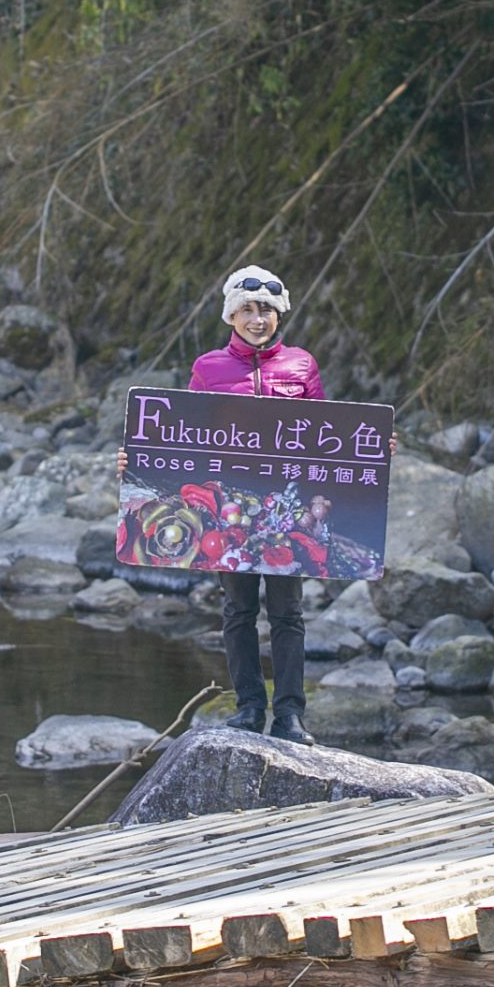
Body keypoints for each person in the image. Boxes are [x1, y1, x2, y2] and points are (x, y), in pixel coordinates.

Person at [191, 267, 323, 742]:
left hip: (286, 509)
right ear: (231, 316)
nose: (257, 318)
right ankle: (248, 707)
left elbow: (330, 436)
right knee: (238, 609)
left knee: (288, 613)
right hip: (231, 509)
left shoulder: (302, 366)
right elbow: (181, 438)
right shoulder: (208, 369)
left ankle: (290, 715)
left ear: (278, 314)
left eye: (265, 309)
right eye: (247, 309)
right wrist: (136, 458)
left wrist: (372, 448)